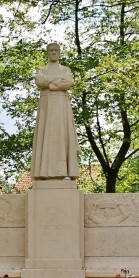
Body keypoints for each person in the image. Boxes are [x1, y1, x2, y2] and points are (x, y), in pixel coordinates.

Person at [30, 43, 81, 180]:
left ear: (59, 52)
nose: (53, 52)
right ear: (47, 52)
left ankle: (65, 172)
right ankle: (43, 173)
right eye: (51, 50)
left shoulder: (65, 69)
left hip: (61, 104)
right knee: (44, 134)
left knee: (63, 135)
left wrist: (50, 84)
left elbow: (68, 82)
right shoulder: (41, 69)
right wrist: (55, 82)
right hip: (46, 104)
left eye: (56, 50)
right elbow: (39, 81)